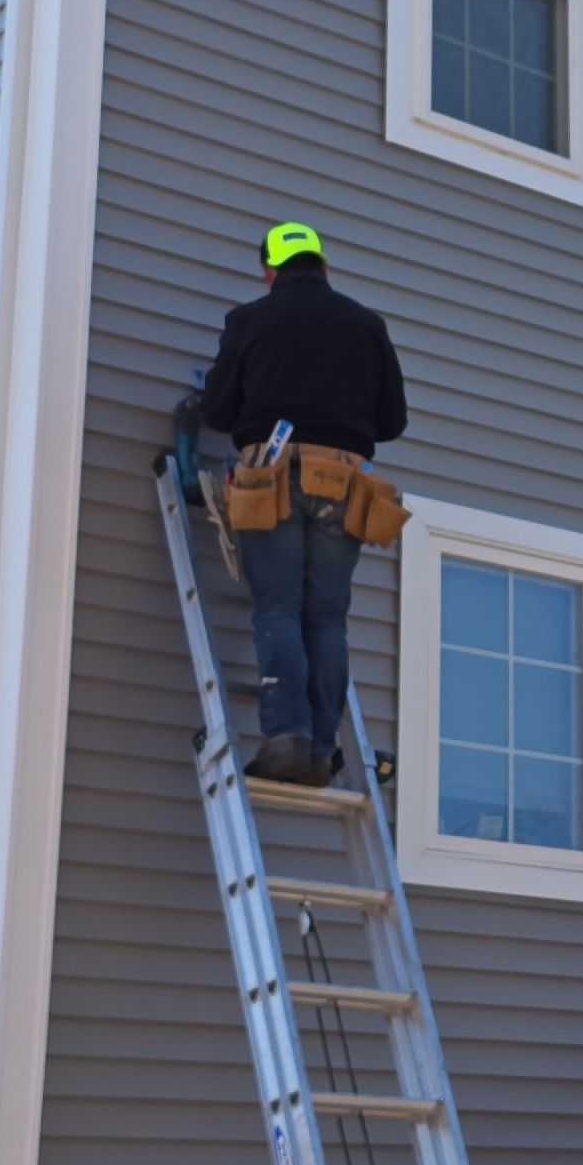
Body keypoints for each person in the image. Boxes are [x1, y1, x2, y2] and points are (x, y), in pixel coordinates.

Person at [202, 222, 408, 782]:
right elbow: (392, 422)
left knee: (277, 606)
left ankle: (285, 738)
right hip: (344, 483)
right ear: (324, 266)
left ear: (269, 271)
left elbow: (218, 412)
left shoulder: (250, 320)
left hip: (272, 476)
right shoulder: (368, 325)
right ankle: (320, 749)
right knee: (326, 616)